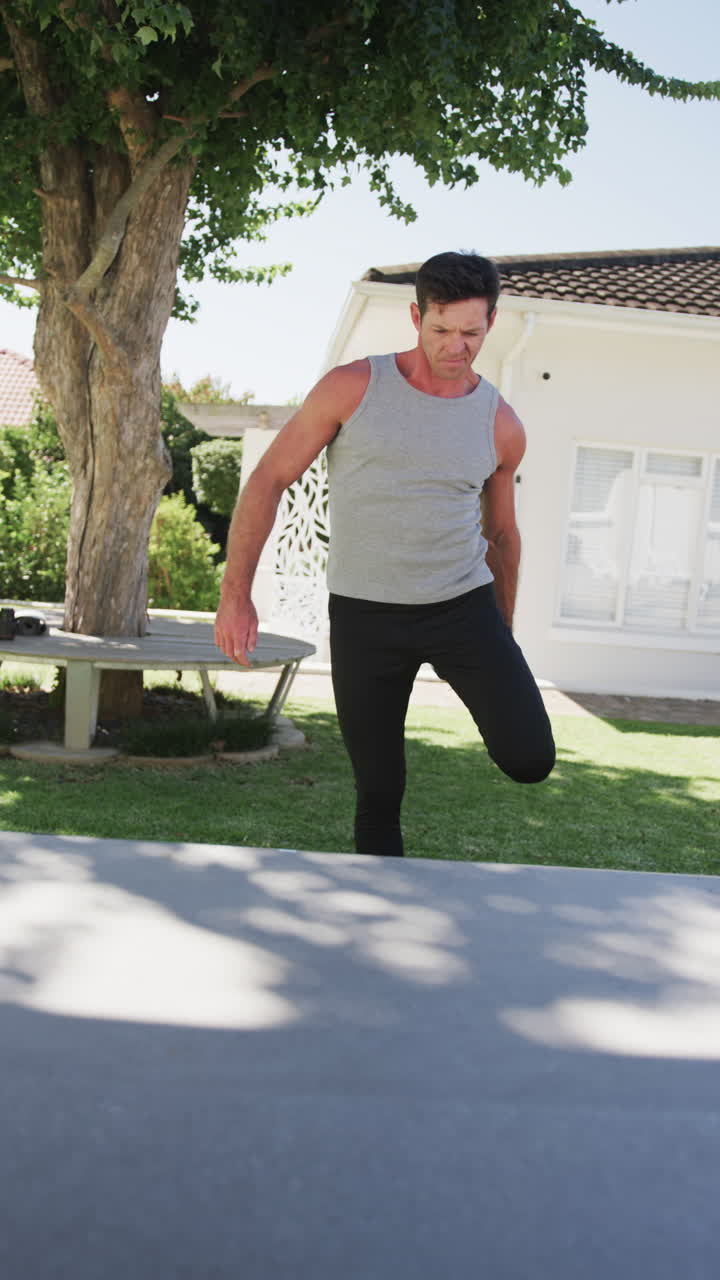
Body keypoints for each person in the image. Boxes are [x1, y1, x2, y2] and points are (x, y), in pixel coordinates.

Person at [215, 250, 556, 857]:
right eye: (442, 329)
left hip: (461, 607)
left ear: (492, 323)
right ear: (415, 316)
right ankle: (385, 931)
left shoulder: (500, 423)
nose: (457, 346)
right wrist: (235, 594)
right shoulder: (353, 388)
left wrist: (499, 631)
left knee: (530, 758)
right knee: (378, 790)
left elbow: (502, 535)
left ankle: (460, 663)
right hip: (366, 614)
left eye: (472, 332)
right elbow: (268, 480)